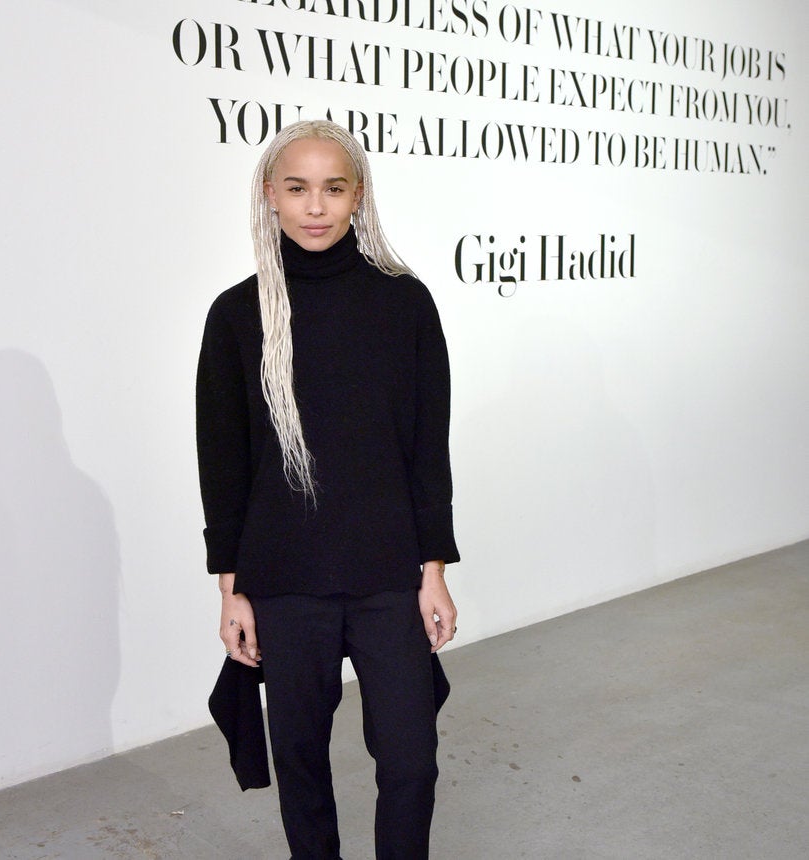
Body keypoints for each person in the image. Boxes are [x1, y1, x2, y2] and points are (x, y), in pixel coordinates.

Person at [196, 119, 460, 859]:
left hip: (388, 575)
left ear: (357, 197)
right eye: (298, 188)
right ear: (270, 195)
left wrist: (433, 570)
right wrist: (231, 592)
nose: (315, 207)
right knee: (302, 764)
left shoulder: (405, 304)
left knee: (411, 761)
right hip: (285, 581)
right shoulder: (237, 314)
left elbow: (427, 451)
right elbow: (223, 466)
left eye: (333, 188)